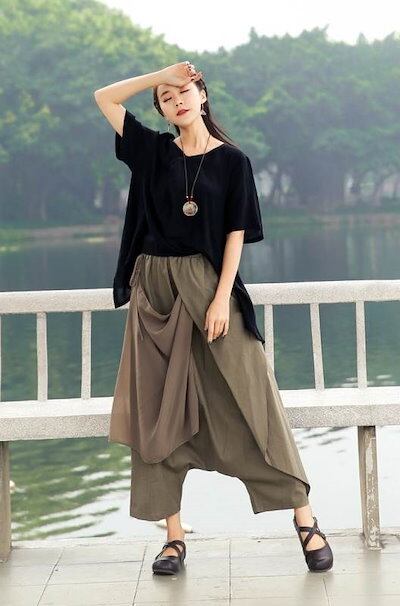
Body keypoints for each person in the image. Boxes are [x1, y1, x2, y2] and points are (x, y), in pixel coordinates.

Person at [94, 61, 333, 576]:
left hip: (208, 286)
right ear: (161, 110)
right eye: (166, 97)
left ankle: (305, 518)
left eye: (184, 90)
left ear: (202, 95)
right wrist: (159, 74)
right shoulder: (153, 151)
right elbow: (105, 98)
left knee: (253, 395)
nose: (176, 100)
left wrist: (222, 298)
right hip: (155, 292)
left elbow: (234, 235)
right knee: (157, 410)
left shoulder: (233, 161)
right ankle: (174, 538)